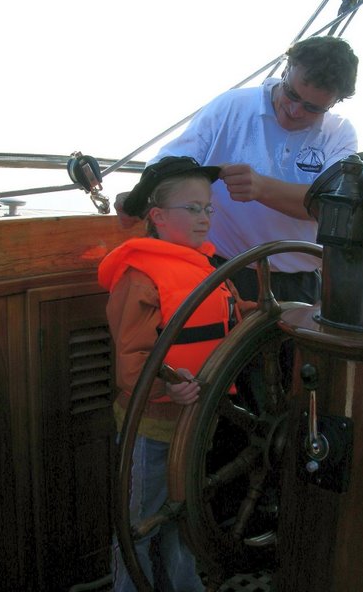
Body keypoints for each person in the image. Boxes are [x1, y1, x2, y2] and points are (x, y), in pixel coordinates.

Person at [99, 156, 252, 591]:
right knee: (141, 523)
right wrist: (169, 384)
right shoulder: (140, 275)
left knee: (181, 517)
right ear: (159, 217)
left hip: (195, 421)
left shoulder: (203, 266)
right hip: (150, 427)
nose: (204, 218)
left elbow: (227, 315)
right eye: (193, 209)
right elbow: (133, 359)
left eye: (208, 208)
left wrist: (267, 314)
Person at [118, 35, 359, 304]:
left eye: (312, 108)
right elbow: (171, 166)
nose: (294, 110)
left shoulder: (339, 134)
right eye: (291, 93)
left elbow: (331, 207)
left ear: (335, 103)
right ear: (285, 69)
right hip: (221, 273)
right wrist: (139, 198)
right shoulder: (231, 107)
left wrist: (262, 188)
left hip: (299, 285)